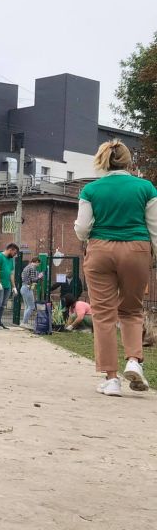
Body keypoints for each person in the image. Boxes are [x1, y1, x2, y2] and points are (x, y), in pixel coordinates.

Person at [74, 139, 157, 396]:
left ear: (103, 160)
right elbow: (154, 226)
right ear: (128, 160)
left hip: (100, 250)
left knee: (103, 314)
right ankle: (133, 360)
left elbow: (82, 229)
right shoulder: (146, 187)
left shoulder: (91, 190)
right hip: (136, 249)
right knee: (132, 310)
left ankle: (111, 378)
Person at [0, 243, 19, 329]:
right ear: (11, 250)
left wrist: (13, 287)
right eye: (15, 253)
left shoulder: (10, 260)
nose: (15, 255)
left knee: (3, 304)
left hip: (7, 285)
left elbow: (11, 274)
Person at [19, 256, 43, 328]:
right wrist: (39, 276)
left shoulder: (26, 267)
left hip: (24, 287)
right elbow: (33, 280)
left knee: (27, 306)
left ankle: (24, 322)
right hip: (28, 288)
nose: (38, 265)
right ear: (36, 262)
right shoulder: (32, 268)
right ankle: (24, 322)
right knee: (31, 306)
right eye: (38, 264)